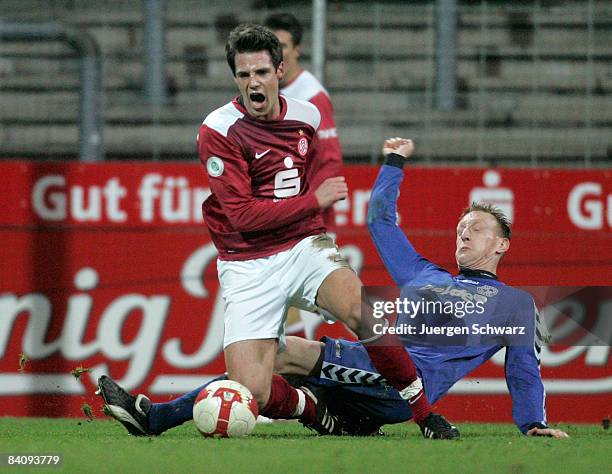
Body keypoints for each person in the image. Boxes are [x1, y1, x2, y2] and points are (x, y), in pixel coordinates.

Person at [98, 24, 457, 440]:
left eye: (262, 73)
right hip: (247, 262)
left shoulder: (307, 115)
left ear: (280, 71)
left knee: (365, 311)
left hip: (302, 245)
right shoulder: (218, 130)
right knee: (252, 389)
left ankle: (426, 416)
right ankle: (316, 411)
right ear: (235, 78)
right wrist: (314, 200)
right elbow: (243, 217)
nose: (254, 83)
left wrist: (312, 218)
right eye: (244, 74)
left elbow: (293, 183)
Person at [96, 138, 568, 439]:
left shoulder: (516, 304)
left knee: (279, 357)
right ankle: (325, 416)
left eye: (479, 228)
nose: (465, 233)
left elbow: (524, 370)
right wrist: (393, 163)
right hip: (372, 367)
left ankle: (156, 418)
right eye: (462, 226)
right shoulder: (425, 274)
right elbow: (380, 218)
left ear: (502, 244)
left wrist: (534, 424)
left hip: (400, 388)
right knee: (276, 368)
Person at [264, 13, 343, 230]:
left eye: (282, 46)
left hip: (308, 222)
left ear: (297, 49)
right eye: (269, 46)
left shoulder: (312, 96)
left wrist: (308, 205)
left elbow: (330, 161)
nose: (275, 53)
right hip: (277, 216)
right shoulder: (264, 93)